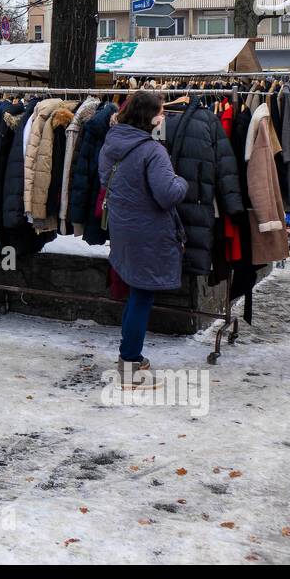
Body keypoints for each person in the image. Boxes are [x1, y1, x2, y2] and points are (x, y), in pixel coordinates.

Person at [97, 90, 189, 389]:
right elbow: (168, 194)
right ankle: (130, 364)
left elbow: (105, 181)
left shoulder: (111, 143)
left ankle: (130, 356)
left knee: (136, 291)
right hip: (148, 231)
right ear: (148, 117)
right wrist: (182, 181)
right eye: (160, 112)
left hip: (123, 227)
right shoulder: (153, 151)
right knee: (142, 294)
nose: (163, 116)